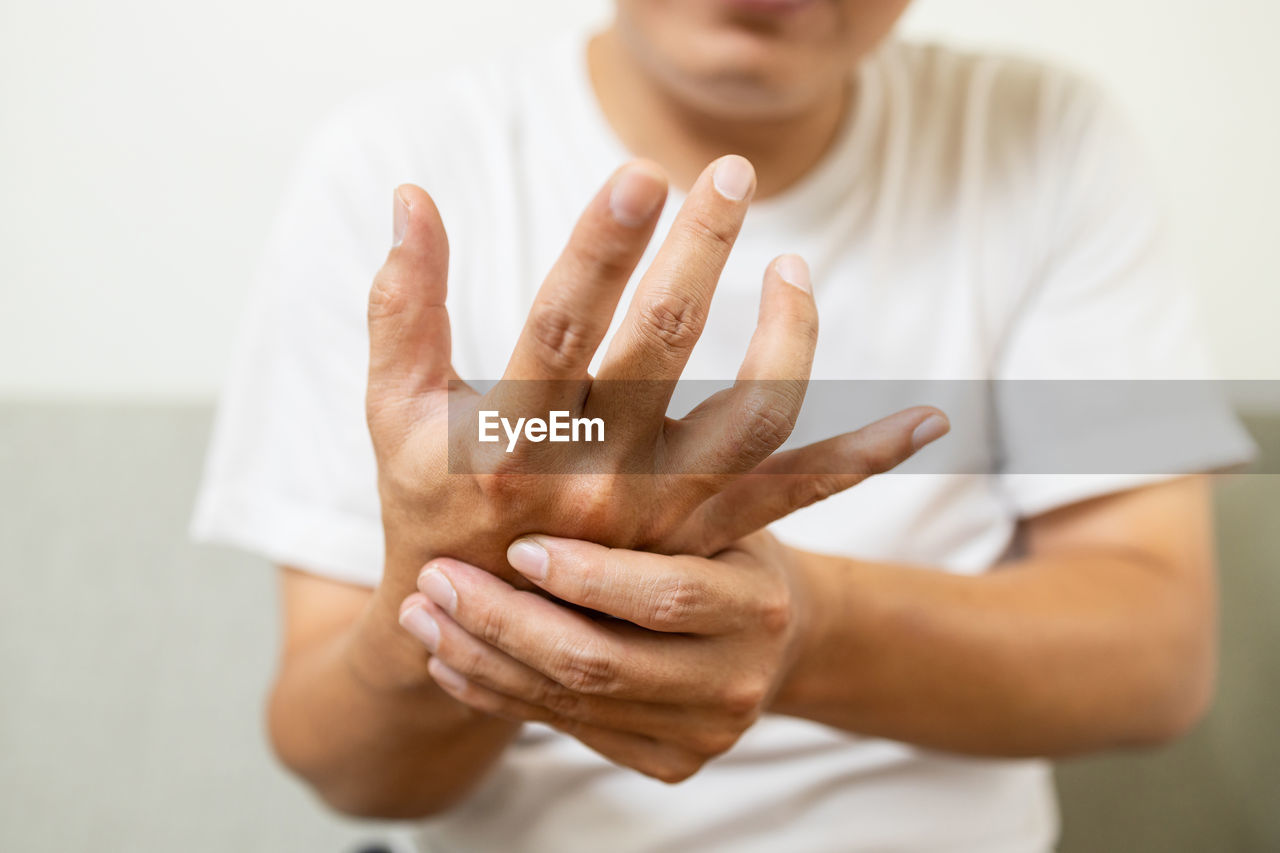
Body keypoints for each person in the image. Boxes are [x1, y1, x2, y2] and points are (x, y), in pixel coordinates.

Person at [193, 1, 1253, 850]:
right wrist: (467, 590)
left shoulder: (1038, 135)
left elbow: (1153, 659)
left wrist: (811, 627)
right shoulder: (406, 158)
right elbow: (349, 766)